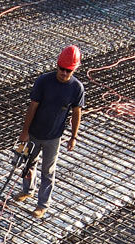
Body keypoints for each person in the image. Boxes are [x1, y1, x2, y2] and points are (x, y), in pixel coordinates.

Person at [15, 45, 85, 219]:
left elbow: (77, 112)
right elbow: (32, 107)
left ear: (74, 69)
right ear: (57, 65)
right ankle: (27, 191)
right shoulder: (43, 81)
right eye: (61, 69)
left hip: (54, 137)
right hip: (34, 133)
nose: (64, 73)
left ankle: (42, 205)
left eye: (68, 70)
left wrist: (73, 137)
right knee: (27, 165)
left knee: (48, 171)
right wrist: (24, 133)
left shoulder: (76, 88)